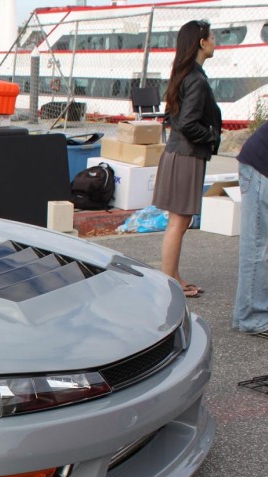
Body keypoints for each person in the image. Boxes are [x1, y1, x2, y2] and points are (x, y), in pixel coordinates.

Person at [151, 20, 222, 298]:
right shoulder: (196, 79)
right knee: (179, 222)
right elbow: (189, 124)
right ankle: (170, 283)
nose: (215, 42)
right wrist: (212, 135)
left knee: (178, 221)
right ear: (201, 43)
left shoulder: (183, 74)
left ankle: (174, 276)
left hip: (177, 153)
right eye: (212, 37)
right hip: (186, 156)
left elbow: (173, 118)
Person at [232, 123, 268, 337]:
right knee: (257, 248)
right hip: (261, 169)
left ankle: (244, 315)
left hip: (258, 167)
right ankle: (253, 319)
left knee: (257, 247)